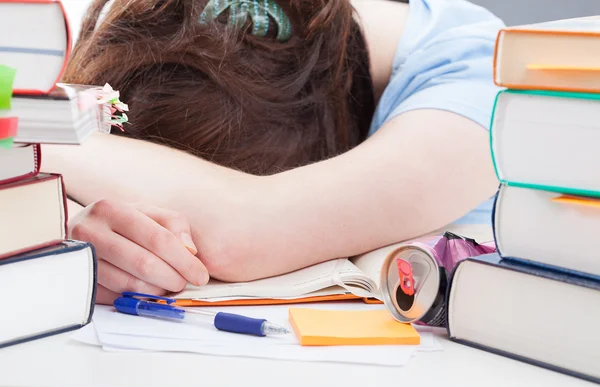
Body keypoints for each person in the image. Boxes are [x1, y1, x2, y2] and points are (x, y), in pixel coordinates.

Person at [43, 0, 505, 304]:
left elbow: (241, 228)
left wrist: (31, 135)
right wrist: (67, 212)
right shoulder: (137, 39)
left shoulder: (492, 78)